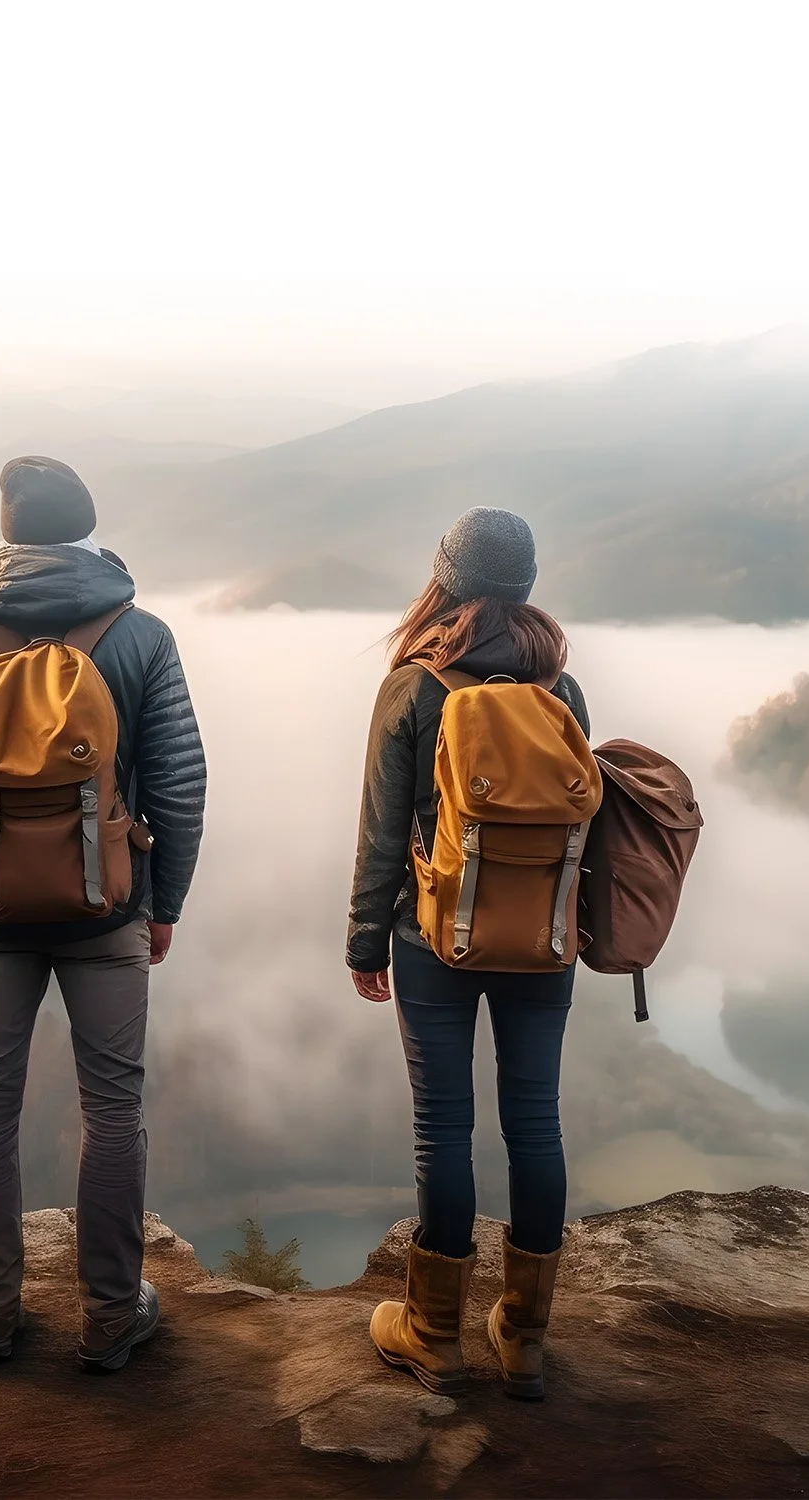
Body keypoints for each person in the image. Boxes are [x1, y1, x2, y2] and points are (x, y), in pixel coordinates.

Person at [0, 456, 207, 1374]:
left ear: (7, 532)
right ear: (90, 527)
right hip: (107, 911)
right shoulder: (140, 635)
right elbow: (181, 786)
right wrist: (163, 904)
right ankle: (112, 1316)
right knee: (112, 1108)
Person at [349, 506, 586, 1401]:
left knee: (442, 1127)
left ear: (444, 582)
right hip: (544, 941)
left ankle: (434, 1334)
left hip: (432, 938)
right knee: (536, 1124)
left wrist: (365, 939)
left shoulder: (416, 685)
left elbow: (380, 832)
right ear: (525, 589)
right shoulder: (561, 691)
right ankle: (523, 1338)